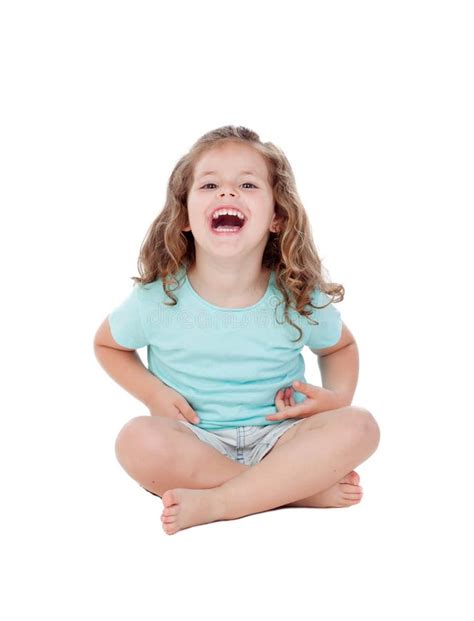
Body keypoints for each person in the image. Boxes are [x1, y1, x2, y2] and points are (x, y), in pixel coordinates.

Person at [93, 125, 381, 535]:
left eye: (247, 184)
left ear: (278, 217)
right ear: (185, 216)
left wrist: (335, 399)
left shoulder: (297, 295)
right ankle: (294, 491)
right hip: (196, 441)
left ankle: (224, 500)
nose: (227, 193)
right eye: (209, 184)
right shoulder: (157, 300)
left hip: (283, 437)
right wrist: (153, 393)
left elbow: (339, 347)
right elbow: (107, 345)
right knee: (135, 440)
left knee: (361, 425)